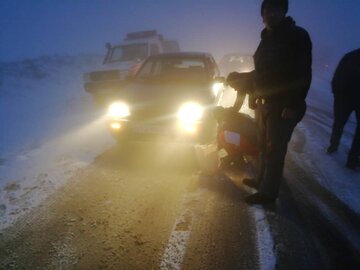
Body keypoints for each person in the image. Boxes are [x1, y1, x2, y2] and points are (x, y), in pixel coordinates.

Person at [242, 0, 312, 204]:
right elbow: (262, 74)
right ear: (262, 14)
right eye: (267, 10)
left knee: (275, 149)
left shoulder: (296, 35)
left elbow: (303, 72)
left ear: (284, 12)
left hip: (283, 105)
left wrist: (293, 104)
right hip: (265, 103)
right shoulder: (267, 37)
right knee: (262, 146)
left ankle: (268, 193)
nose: (271, 14)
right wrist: (254, 95)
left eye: (276, 9)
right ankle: (261, 181)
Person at [326, 48, 360, 170]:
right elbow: (338, 76)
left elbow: (337, 76)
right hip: (345, 97)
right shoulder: (350, 57)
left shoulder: (350, 56)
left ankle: (334, 147)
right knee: (339, 123)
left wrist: (337, 93)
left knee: (339, 123)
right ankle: (351, 158)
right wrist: (337, 92)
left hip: (344, 97)